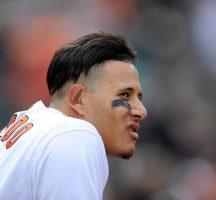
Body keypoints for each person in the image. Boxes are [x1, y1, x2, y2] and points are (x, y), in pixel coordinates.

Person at [0, 32, 147, 200]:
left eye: (139, 98)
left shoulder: (34, 128)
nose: (141, 111)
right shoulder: (74, 134)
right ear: (78, 99)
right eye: (125, 95)